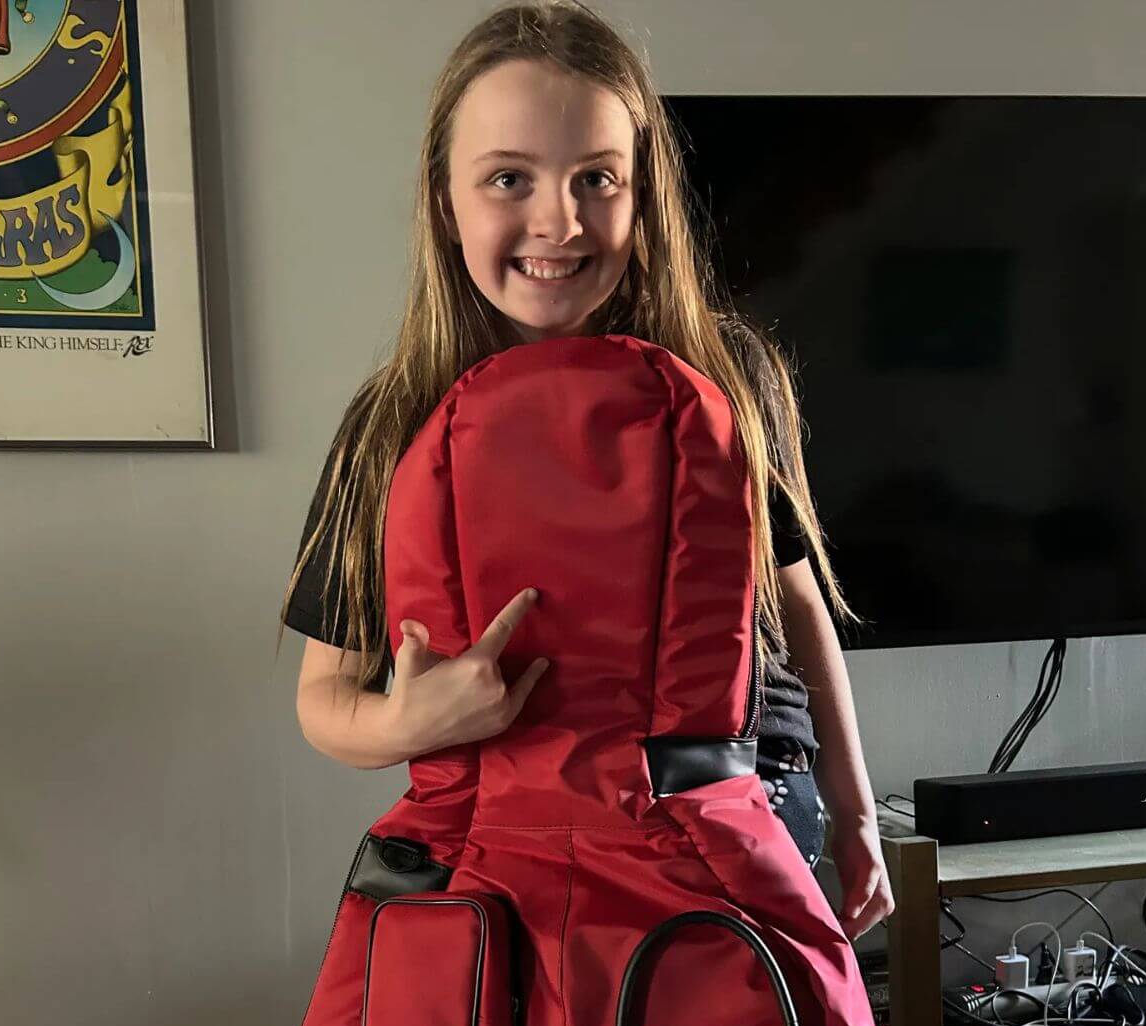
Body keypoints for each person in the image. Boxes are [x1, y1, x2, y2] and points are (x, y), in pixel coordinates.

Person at [276, 2, 893, 942]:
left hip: (743, 811)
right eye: (509, 179)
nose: (558, 222)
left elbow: (798, 607)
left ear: (642, 194)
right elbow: (325, 698)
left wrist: (856, 814)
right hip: (512, 838)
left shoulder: (726, 376)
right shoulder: (393, 422)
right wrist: (409, 724)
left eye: (596, 179)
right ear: (444, 200)